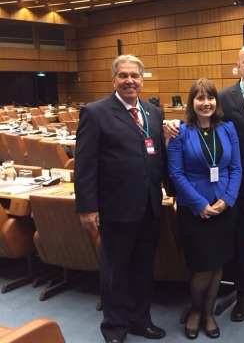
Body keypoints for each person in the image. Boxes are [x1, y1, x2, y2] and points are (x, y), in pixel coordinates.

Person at [164, 44, 244, 322]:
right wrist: (172, 123)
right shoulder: (223, 97)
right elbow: (202, 123)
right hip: (239, 186)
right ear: (238, 66)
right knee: (241, 242)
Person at [75, 54, 167, 343]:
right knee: (115, 270)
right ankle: (114, 328)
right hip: (116, 207)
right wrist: (87, 207)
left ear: (142, 78)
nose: (130, 80)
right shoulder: (96, 112)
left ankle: (141, 320)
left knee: (143, 267)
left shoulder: (153, 112)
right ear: (113, 79)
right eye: (123, 75)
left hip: (150, 206)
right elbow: (85, 164)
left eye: (135, 75)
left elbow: (158, 156)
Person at [167, 78, 242, 340]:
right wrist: (199, 204)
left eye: (210, 97)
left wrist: (228, 199)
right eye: (200, 98)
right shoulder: (180, 132)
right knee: (202, 266)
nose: (206, 102)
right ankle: (196, 311)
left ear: (216, 102)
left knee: (218, 262)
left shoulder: (228, 129)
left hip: (224, 208)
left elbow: (235, 168)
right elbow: (176, 174)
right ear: (192, 102)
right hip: (193, 210)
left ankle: (209, 313)